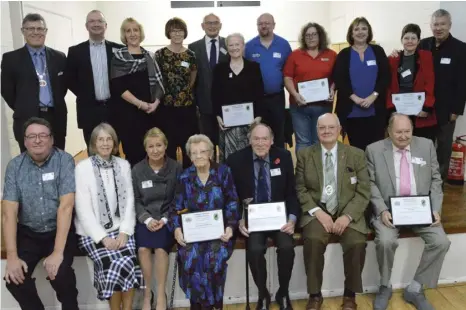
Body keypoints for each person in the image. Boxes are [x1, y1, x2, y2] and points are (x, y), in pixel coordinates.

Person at [366, 113, 451, 310]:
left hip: (420, 209)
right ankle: (385, 286)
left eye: (407, 131)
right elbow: (370, 183)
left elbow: (436, 179)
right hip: (389, 210)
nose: (403, 136)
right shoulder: (374, 150)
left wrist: (435, 209)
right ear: (389, 131)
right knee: (386, 241)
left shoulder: (426, 145)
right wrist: (381, 210)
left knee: (441, 242)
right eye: (398, 132)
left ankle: (415, 287)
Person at [295, 113, 370, 310]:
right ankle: (315, 295)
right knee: (312, 240)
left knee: (357, 242)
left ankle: (349, 295)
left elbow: (364, 191)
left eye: (331, 127)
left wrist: (347, 216)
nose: (326, 131)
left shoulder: (356, 154)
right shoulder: (305, 155)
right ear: (316, 130)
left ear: (339, 130)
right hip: (317, 211)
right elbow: (300, 189)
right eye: (322, 128)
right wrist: (317, 212)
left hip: (348, 212)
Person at [2, 117, 78, 310]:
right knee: (14, 278)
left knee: (62, 274)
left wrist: (58, 252)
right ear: (25, 141)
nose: (37, 140)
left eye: (43, 135)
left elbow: (66, 207)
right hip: (29, 234)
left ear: (52, 139)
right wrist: (12, 256)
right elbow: (9, 213)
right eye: (32, 136)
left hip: (59, 231)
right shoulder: (14, 167)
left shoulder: (64, 161)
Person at [227, 123, 299, 310]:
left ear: (272, 140)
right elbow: (232, 196)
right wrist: (238, 219)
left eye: (264, 139)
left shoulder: (283, 157)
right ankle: (263, 294)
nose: (260, 143)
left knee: (286, 247)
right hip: (253, 219)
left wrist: (292, 219)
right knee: (255, 250)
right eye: (256, 139)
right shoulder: (236, 160)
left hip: (279, 217)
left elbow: (291, 192)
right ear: (249, 140)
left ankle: (283, 291)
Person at [74, 123, 143, 310]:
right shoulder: (82, 168)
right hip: (92, 233)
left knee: (128, 259)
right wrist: (102, 238)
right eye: (100, 139)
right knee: (112, 261)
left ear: (115, 143)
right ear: (94, 144)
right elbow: (83, 209)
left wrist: (125, 232)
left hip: (120, 228)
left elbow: (129, 201)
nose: (105, 143)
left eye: (109, 139)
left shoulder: (123, 165)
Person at [170, 134, 240, 309]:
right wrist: (177, 230)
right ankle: (198, 303)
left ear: (210, 153)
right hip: (193, 234)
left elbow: (232, 202)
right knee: (189, 256)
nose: (199, 156)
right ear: (189, 156)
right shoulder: (185, 177)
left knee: (215, 257)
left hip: (219, 233)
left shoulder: (223, 173)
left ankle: (212, 304)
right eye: (194, 153)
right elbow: (175, 209)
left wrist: (231, 228)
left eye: (202, 151)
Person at [1, 13, 68, 152]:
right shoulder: (10, 59)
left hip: (55, 117)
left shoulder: (59, 57)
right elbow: (7, 91)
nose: (35, 32)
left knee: (58, 157)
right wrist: (25, 106)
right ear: (23, 31)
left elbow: (62, 87)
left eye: (39, 28)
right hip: (26, 117)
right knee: (30, 161)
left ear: (45, 31)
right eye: (30, 28)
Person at [132, 127, 182, 310]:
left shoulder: (176, 167)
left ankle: (160, 294)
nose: (155, 150)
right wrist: (146, 219)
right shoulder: (137, 170)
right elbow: (135, 200)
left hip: (166, 218)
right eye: (151, 146)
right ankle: (147, 294)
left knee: (161, 249)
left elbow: (178, 197)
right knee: (143, 248)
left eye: (159, 145)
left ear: (165, 146)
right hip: (145, 219)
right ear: (145, 148)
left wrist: (165, 219)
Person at [110, 17, 165, 167]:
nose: (133, 34)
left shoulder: (150, 56)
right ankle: (134, 188)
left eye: (136, 30)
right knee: (133, 153)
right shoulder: (118, 57)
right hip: (128, 115)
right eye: (128, 31)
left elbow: (160, 84)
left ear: (140, 33)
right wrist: (140, 104)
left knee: (152, 151)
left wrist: (156, 103)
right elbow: (118, 86)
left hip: (150, 114)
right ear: (124, 35)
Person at [418, 9, 466, 180]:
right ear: (431, 26)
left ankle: (438, 184)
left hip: (446, 110)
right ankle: (421, 181)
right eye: (435, 24)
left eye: (442, 24)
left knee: (443, 149)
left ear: (449, 25)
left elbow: (462, 82)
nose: (438, 28)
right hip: (424, 109)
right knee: (423, 147)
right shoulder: (423, 44)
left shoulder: (461, 49)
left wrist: (457, 110)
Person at [66, 10, 123, 149]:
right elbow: (69, 79)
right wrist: (86, 94)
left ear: (106, 25)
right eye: (92, 21)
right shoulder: (75, 51)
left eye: (99, 21)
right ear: (86, 26)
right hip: (89, 110)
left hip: (115, 109)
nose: (96, 24)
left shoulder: (119, 49)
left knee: (113, 150)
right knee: (93, 152)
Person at [333, 17, 390, 151]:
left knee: (376, 150)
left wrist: (373, 96)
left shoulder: (378, 51)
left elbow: (385, 76)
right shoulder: (344, 54)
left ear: (369, 32)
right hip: (351, 112)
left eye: (364, 28)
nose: (360, 32)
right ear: (351, 33)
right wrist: (355, 98)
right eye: (356, 29)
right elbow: (340, 79)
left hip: (375, 110)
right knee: (355, 151)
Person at [284, 22, 337, 151]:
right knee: (303, 142)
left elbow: (336, 78)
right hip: (299, 107)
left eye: (314, 34)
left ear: (320, 36)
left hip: (323, 106)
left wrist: (332, 90)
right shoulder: (295, 55)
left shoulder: (331, 55)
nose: (311, 37)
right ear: (303, 38)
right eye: (307, 35)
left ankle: (317, 171)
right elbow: (287, 77)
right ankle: (303, 171)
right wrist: (295, 95)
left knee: (320, 140)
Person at [212, 33, 264, 162]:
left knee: (250, 159)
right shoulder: (220, 69)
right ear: (227, 47)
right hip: (228, 125)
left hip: (250, 124)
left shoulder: (253, 67)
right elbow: (215, 94)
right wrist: (218, 116)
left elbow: (259, 94)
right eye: (231, 45)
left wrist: (258, 117)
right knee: (230, 160)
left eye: (237, 44)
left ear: (243, 46)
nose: (234, 48)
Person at [155, 17, 199, 169]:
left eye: (180, 30)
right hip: (167, 108)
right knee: (169, 146)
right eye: (174, 31)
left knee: (188, 147)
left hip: (187, 107)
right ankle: (172, 179)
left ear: (184, 33)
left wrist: (184, 91)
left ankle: (189, 180)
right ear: (168, 32)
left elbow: (193, 76)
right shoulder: (160, 54)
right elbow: (156, 79)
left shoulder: (190, 55)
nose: (177, 34)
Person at [245, 13, 292, 149]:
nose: (264, 26)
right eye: (260, 24)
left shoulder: (283, 44)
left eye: (267, 23)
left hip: (276, 98)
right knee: (258, 134)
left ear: (273, 25)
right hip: (256, 100)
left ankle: (278, 165)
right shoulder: (249, 46)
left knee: (278, 134)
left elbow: (289, 71)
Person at [386, 24, 436, 142]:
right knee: (400, 142)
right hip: (399, 109)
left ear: (418, 41)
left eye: (413, 38)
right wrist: (391, 108)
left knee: (420, 144)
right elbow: (388, 86)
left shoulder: (426, 57)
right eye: (406, 38)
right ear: (401, 40)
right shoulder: (393, 59)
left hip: (420, 110)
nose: (410, 41)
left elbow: (430, 83)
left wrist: (427, 107)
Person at [188, 13, 228, 154]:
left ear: (220, 25)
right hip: (203, 106)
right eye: (209, 23)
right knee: (206, 145)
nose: (212, 26)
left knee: (225, 145)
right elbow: (191, 77)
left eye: (215, 22)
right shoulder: (192, 47)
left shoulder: (229, 44)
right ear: (202, 26)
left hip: (226, 106)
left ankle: (223, 173)